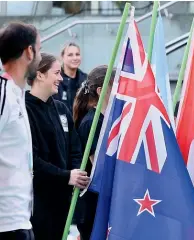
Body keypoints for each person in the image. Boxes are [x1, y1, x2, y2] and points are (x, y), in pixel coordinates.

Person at [25, 52, 89, 240]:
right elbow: (31, 159)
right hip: (37, 202)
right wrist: (66, 176)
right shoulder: (24, 110)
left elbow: (75, 148)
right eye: (56, 73)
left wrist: (76, 173)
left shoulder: (61, 109)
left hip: (63, 200)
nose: (61, 78)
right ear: (40, 74)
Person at [0, 21, 41, 240]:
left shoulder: (17, 94)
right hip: (6, 224)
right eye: (40, 50)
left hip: (20, 220)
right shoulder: (3, 94)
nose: (41, 57)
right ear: (29, 51)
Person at [73, 65, 116, 240]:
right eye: (116, 86)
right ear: (101, 90)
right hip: (94, 205)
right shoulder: (92, 123)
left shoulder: (106, 119)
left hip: (102, 202)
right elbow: (99, 167)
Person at [53, 42, 87, 112]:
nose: (75, 58)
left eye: (77, 54)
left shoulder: (86, 80)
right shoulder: (55, 79)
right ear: (62, 57)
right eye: (70, 55)